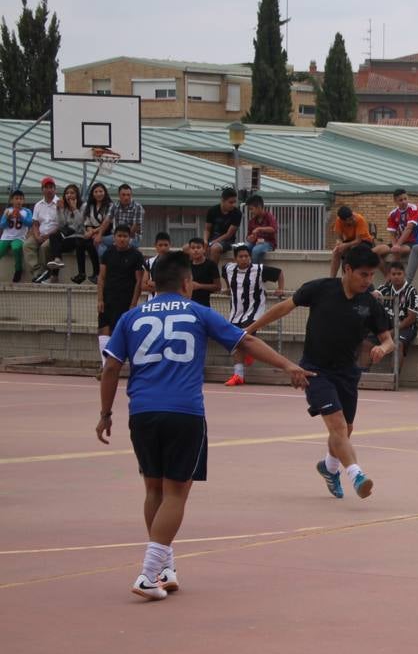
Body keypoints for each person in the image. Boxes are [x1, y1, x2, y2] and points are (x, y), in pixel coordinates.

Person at [97, 250, 309, 601]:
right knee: (177, 493)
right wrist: (289, 366)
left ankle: (164, 566)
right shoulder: (198, 312)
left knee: (154, 490)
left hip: (143, 413)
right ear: (187, 283)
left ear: (152, 283)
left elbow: (110, 368)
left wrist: (105, 413)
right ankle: (148, 574)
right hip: (184, 412)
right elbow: (247, 341)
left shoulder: (130, 318)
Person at [246, 244, 395, 501]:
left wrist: (383, 348)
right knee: (337, 425)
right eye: (363, 274)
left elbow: (389, 340)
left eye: (372, 275)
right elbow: (284, 307)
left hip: (348, 373)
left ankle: (329, 467)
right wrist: (251, 329)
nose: (368, 280)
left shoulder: (369, 303)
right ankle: (356, 474)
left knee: (345, 430)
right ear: (347, 270)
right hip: (314, 370)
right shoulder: (320, 289)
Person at [223, 243, 285, 386]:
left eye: (246, 256)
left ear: (250, 257)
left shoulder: (259, 270)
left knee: (241, 340)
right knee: (239, 342)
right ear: (235, 258)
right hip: (235, 312)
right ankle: (249, 354)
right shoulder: (228, 268)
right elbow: (223, 273)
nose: (244, 259)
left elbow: (279, 272)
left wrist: (280, 288)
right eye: (241, 256)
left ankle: (238, 375)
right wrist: (227, 287)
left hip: (254, 311)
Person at [96, 225, 147, 372]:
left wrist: (133, 303)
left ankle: (124, 364)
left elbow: (138, 281)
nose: (122, 239)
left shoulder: (136, 256)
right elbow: (101, 277)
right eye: (119, 236)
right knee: (103, 330)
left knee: (121, 332)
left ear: (129, 238)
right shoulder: (107, 253)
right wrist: (100, 299)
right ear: (114, 237)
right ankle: (106, 366)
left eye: (125, 236)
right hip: (108, 298)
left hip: (125, 299)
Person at [51, 183, 97, 284]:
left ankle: (54, 274)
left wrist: (75, 209)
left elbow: (80, 224)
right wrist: (60, 210)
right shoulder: (65, 208)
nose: (69, 195)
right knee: (53, 236)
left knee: (64, 239)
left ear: (77, 194)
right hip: (69, 238)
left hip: (79, 237)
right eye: (67, 193)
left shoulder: (84, 206)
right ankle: (57, 260)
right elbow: (62, 224)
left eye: (72, 193)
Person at [375, 261, 418, 359]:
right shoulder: (384, 289)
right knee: (366, 343)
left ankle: (394, 374)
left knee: (398, 344)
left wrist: (393, 331)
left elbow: (411, 318)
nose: (396, 277)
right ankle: (362, 373)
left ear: (404, 274)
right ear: (389, 276)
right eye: (393, 274)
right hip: (386, 327)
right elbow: (374, 295)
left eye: (399, 274)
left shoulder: (412, 292)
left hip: (406, 328)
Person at [329, 205, 389, 277]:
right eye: (350, 219)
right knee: (336, 252)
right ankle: (332, 278)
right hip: (350, 241)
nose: (352, 219)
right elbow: (338, 237)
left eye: (352, 217)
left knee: (354, 250)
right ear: (343, 221)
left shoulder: (359, 219)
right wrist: (339, 244)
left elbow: (358, 241)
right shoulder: (339, 221)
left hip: (364, 241)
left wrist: (345, 245)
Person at [27, 177, 62, 284]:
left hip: (54, 235)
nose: (49, 190)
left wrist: (47, 236)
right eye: (46, 187)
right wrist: (37, 236)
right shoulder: (38, 205)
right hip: (40, 234)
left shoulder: (60, 203)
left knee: (44, 247)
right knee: (27, 245)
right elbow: (35, 223)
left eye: (51, 187)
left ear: (55, 189)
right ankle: (38, 273)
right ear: (42, 190)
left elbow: (61, 224)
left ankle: (48, 273)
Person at [386, 188, 418, 266]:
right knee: (377, 251)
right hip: (400, 243)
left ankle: (393, 274)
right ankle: (386, 274)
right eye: (401, 200)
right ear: (395, 201)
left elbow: (409, 228)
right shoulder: (392, 214)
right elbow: (392, 234)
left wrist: (397, 246)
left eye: (405, 199)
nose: (404, 201)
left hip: (414, 242)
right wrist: (394, 245)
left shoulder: (413, 208)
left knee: (397, 251)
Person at [1, 189, 32, 283]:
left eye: (21, 199)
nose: (19, 201)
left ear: (24, 201)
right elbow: (2, 225)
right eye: (16, 198)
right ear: (12, 200)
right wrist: (7, 218)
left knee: (16, 248)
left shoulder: (27, 211)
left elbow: (30, 223)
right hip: (6, 237)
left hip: (19, 237)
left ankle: (18, 270)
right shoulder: (7, 211)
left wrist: (20, 217)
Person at [205, 187, 242, 262]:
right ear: (223, 201)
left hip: (226, 241)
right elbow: (207, 229)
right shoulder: (212, 210)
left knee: (214, 248)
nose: (233, 205)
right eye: (230, 202)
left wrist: (212, 243)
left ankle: (212, 272)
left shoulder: (237, 213)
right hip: (211, 239)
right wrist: (205, 241)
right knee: (188, 248)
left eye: (234, 202)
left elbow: (228, 235)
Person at [106, 183, 144, 252]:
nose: (126, 197)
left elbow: (136, 226)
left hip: (133, 238)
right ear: (119, 195)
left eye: (128, 195)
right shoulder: (114, 206)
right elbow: (107, 220)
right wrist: (99, 234)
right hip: (116, 236)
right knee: (98, 241)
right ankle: (106, 261)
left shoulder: (137, 207)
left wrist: (124, 239)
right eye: (123, 195)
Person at [81, 182, 112, 264]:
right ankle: (95, 272)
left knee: (101, 249)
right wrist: (91, 232)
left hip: (106, 232)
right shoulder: (88, 206)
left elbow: (107, 223)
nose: (98, 194)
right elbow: (87, 223)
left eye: (101, 191)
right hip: (92, 234)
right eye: (96, 192)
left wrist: (93, 232)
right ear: (92, 194)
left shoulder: (110, 206)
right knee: (84, 243)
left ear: (105, 192)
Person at [185, 237, 221, 307]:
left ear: (204, 249)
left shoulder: (211, 265)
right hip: (188, 303)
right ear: (189, 250)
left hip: (204, 304)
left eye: (198, 248)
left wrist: (199, 286)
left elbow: (218, 287)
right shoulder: (187, 265)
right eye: (193, 248)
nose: (195, 250)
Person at [244, 194, 278, 263]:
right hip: (255, 243)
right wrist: (250, 238)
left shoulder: (268, 216)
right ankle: (246, 269)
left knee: (256, 250)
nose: (251, 211)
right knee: (244, 249)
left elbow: (274, 229)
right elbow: (248, 236)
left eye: (251, 209)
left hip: (268, 243)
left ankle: (255, 271)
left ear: (259, 207)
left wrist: (260, 229)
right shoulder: (252, 221)